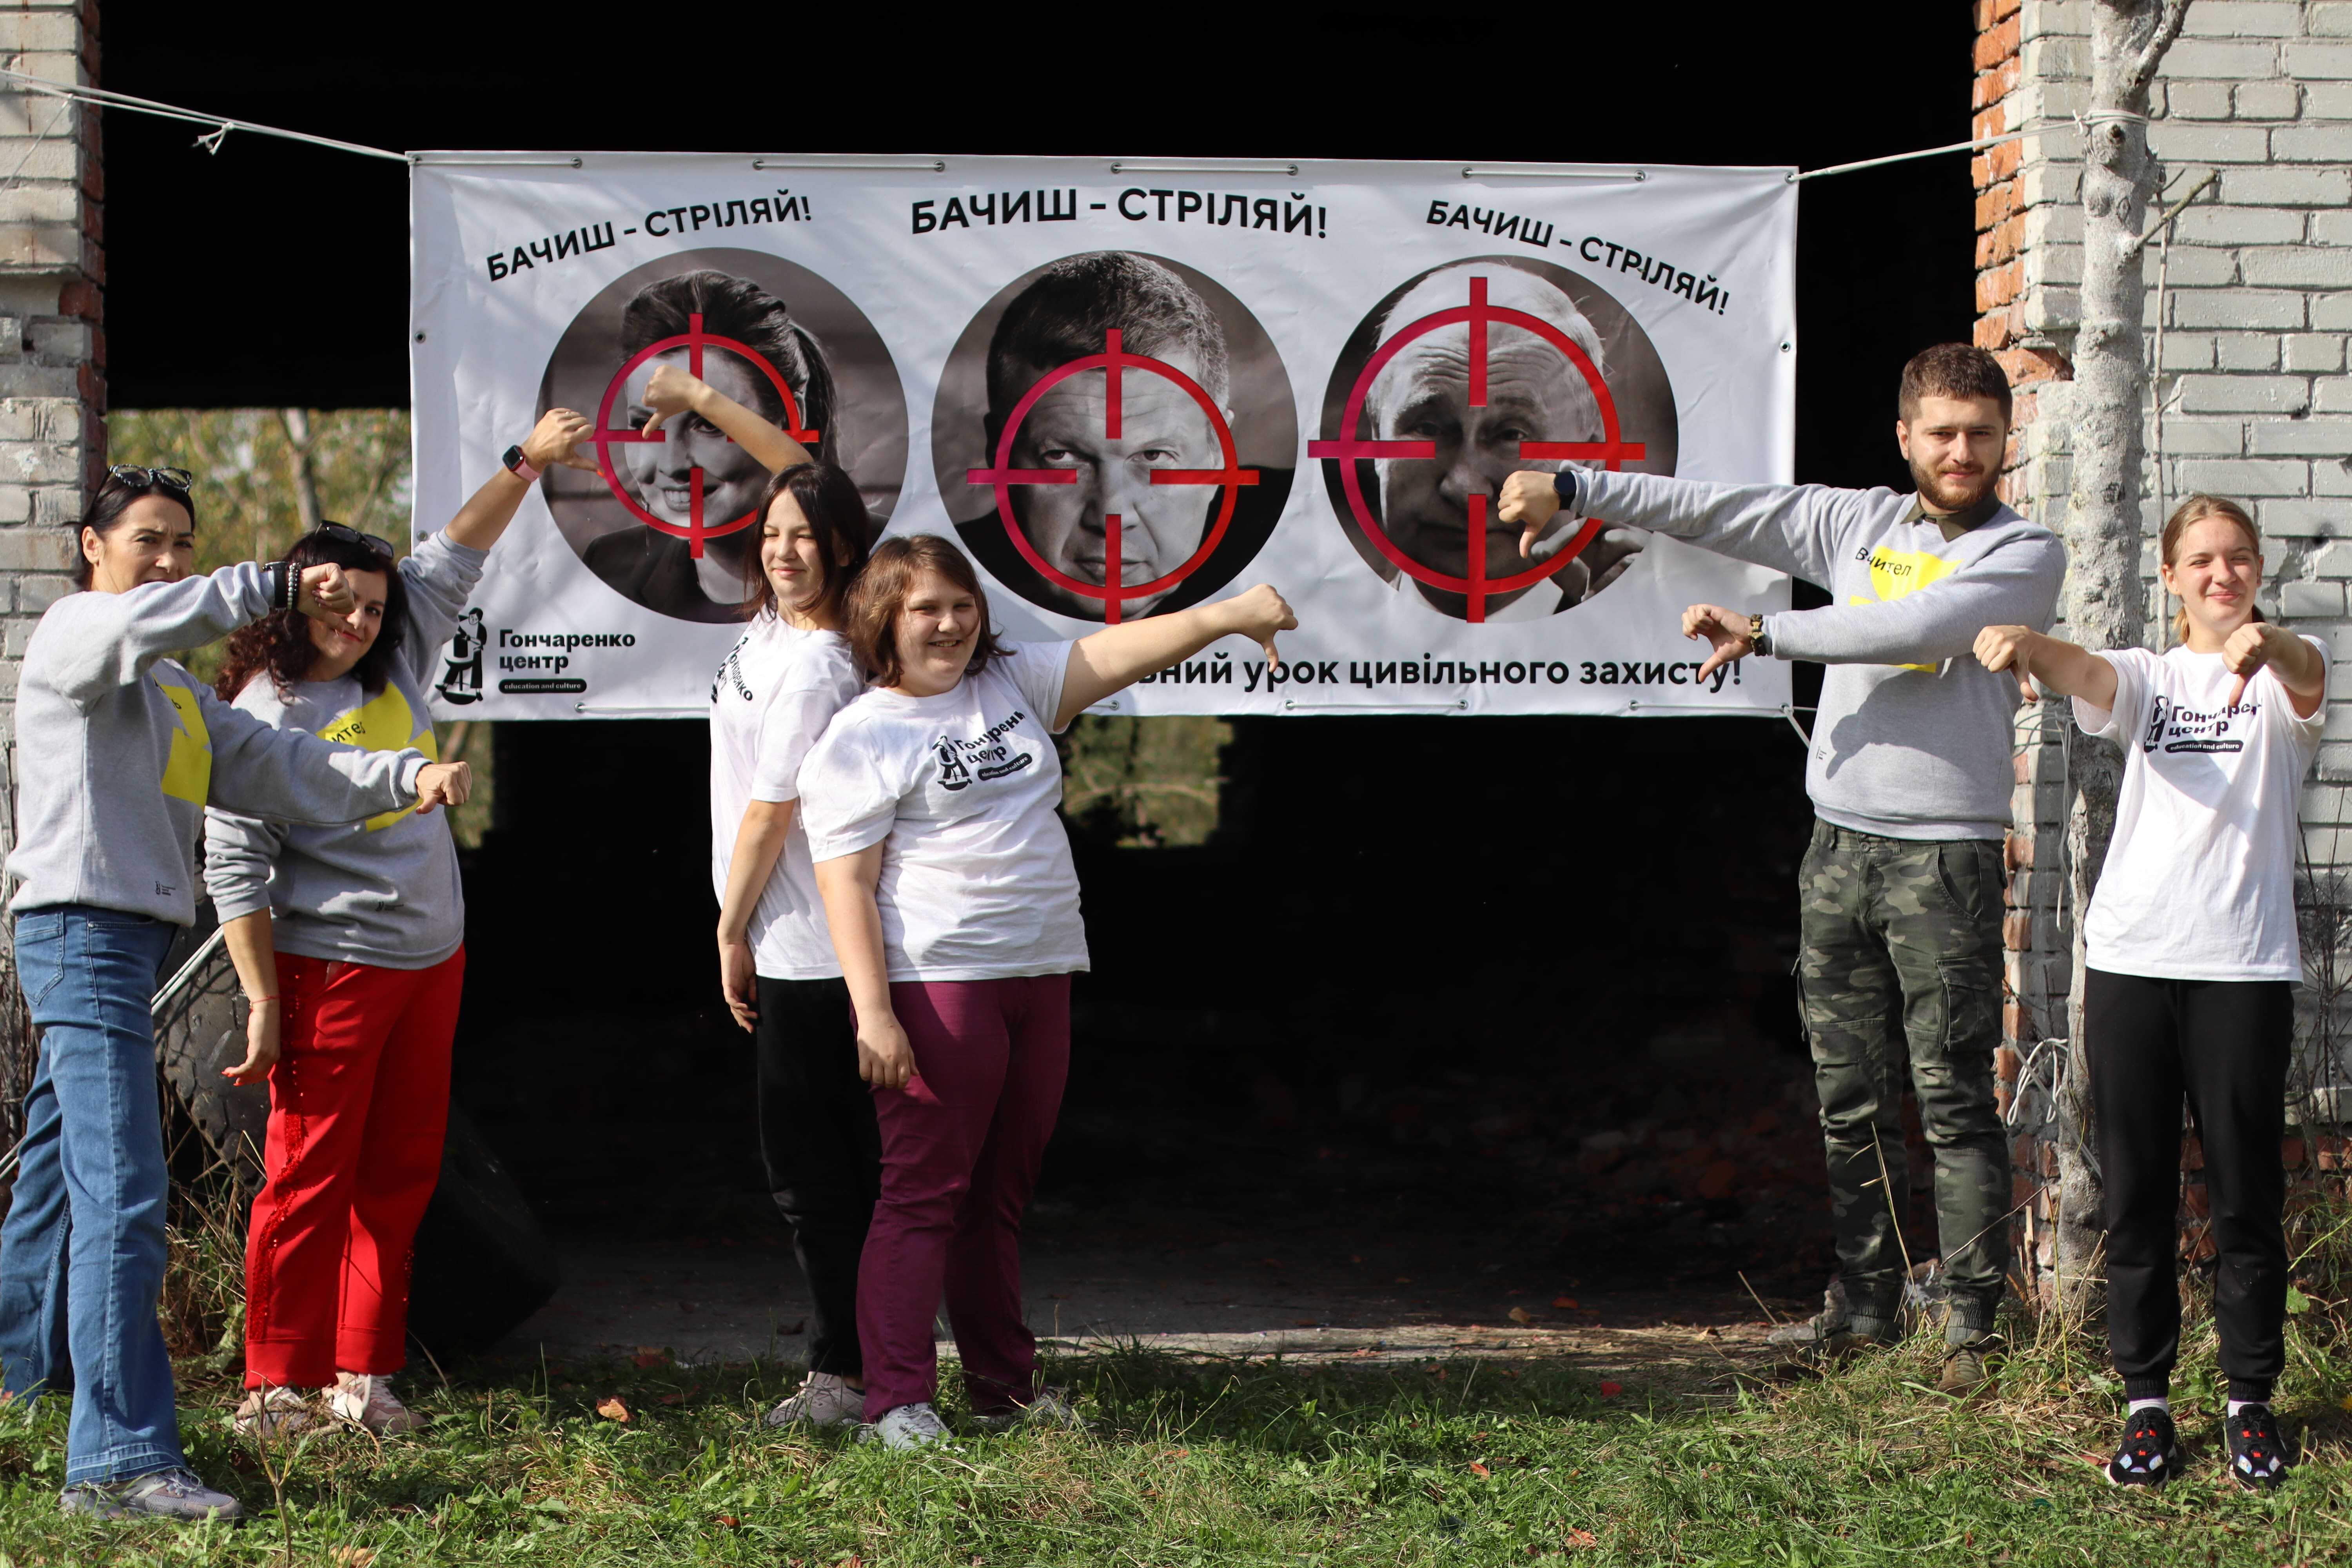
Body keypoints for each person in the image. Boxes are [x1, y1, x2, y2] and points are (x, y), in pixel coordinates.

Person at [1498, 342, 2067, 1390]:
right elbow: (1717, 509)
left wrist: (1765, 632)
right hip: (1837, 845)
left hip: (1946, 856)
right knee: (1848, 1094)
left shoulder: (2025, 552)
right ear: (1904, 437)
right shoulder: (1853, 522)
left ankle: (1972, 1329)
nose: (1962, 452)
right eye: (1942, 433)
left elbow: (1916, 624)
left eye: (1981, 434)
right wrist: (1572, 484)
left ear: (2005, 441)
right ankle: (1865, 1310)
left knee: (1952, 1096)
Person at [0, 467, 470, 1521]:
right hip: (82, 932)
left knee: (54, 1181)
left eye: (183, 542)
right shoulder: (80, 632)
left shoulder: (173, 690)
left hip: (127, 942)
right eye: (148, 540)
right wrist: (281, 584)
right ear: (92, 547)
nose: (169, 561)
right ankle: (117, 1465)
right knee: (124, 1197)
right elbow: (170, 615)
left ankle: (24, 1384)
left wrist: (407, 777)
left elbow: (284, 767)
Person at [801, 535, 1294, 1447]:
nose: (949, 624)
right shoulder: (861, 735)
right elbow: (845, 885)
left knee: (996, 1196)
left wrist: (1230, 615)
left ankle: (1003, 1392)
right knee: (922, 1193)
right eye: (925, 609)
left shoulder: (1009, 682)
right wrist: (874, 1014)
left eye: (961, 604)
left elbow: (1118, 652)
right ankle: (896, 1402)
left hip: (1043, 971)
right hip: (940, 982)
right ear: (884, 621)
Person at [203, 410, 593, 1439]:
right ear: (296, 596)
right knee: (308, 1174)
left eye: (377, 608)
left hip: (431, 960)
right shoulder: (264, 707)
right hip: (328, 965)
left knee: (401, 1173)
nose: (361, 623)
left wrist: (526, 462)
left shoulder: (398, 655)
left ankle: (362, 1377)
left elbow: (455, 554)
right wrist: (260, 997)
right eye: (342, 603)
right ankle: (274, 1386)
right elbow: (234, 864)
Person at [1975, 495, 2321, 1490]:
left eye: (2239, 558)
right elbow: (2086, 672)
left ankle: (2250, 1401)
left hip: (2243, 968)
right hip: (2134, 963)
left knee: (2246, 1192)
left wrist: (2268, 645)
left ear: (2258, 570)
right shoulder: (2150, 676)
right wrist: (2029, 643)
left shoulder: (2284, 682)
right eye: (2202, 560)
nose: (2222, 573)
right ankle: (2146, 1403)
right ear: (2171, 576)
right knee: (2138, 1191)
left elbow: (2307, 673)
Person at [703, 457, 878, 1428]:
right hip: (784, 937)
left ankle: (845, 1372)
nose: (784, 551)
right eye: (772, 533)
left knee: (819, 1176)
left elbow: (772, 812)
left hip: (808, 948)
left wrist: (731, 929)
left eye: (806, 536)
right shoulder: (775, 631)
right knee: (819, 1170)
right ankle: (867, 1360)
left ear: (844, 546)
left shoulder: (820, 663)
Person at [953, 252, 1289, 621]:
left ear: (1218, 453)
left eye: (1153, 456)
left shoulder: (1304, 539)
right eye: (1061, 456)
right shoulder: (941, 572)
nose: (1111, 515)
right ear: (998, 451)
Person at [1354, 261, 1644, 621]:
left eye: (1511, 435)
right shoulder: (1314, 631)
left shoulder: (1653, 626)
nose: (1465, 488)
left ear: (1588, 460)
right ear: (1377, 438)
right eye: (1428, 428)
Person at [583, 269, 839, 622]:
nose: (672, 464)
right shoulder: (610, 565)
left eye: (709, 424)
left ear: (790, 417)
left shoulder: (872, 558)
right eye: (645, 425)